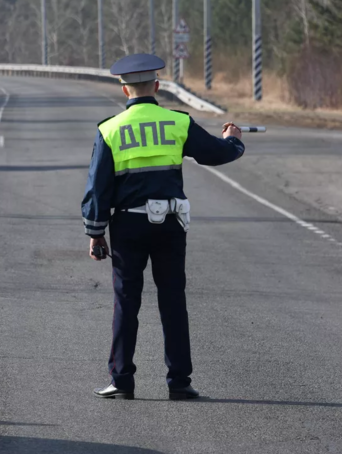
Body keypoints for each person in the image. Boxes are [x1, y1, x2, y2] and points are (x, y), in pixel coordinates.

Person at [81, 53, 245, 400]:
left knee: (127, 302)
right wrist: (233, 139)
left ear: (125, 89)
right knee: (173, 301)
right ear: (156, 86)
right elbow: (216, 153)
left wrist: (96, 233)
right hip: (171, 224)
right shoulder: (178, 122)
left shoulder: (109, 129)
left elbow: (98, 187)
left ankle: (122, 381)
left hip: (128, 226)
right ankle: (179, 383)